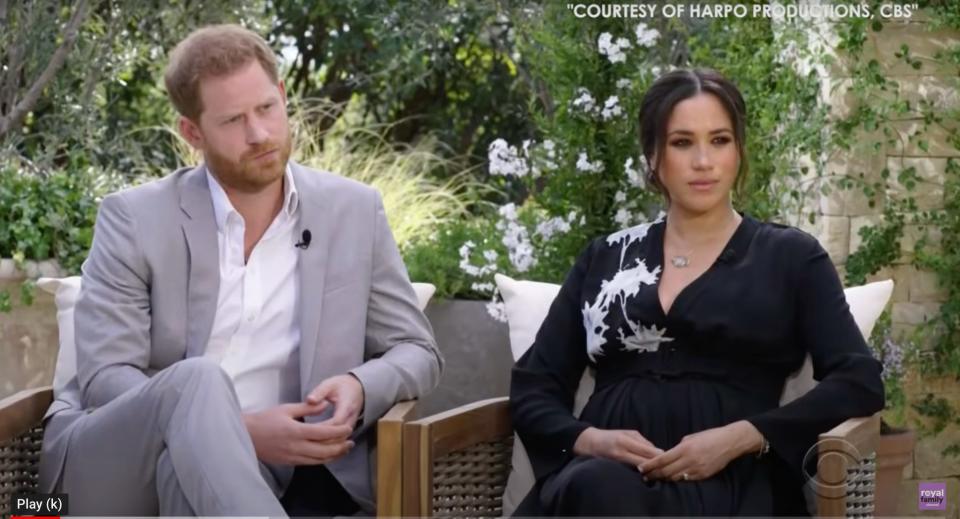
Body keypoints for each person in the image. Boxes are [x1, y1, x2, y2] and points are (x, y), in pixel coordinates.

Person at [37, 24, 442, 517]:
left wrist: (360, 384)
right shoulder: (134, 218)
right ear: (193, 132)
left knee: (184, 479)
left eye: (267, 109)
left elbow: (418, 350)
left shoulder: (353, 211)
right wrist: (234, 429)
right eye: (232, 121)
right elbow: (105, 377)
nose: (259, 134)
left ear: (283, 95)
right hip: (107, 470)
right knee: (198, 383)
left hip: (268, 476)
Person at [509, 68, 885, 516]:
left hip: (735, 484)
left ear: (739, 151)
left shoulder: (791, 258)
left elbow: (858, 382)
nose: (703, 161)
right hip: (601, 484)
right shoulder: (606, 258)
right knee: (600, 488)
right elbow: (535, 386)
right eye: (682, 142)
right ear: (653, 156)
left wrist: (744, 435)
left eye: (720, 140)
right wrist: (589, 440)